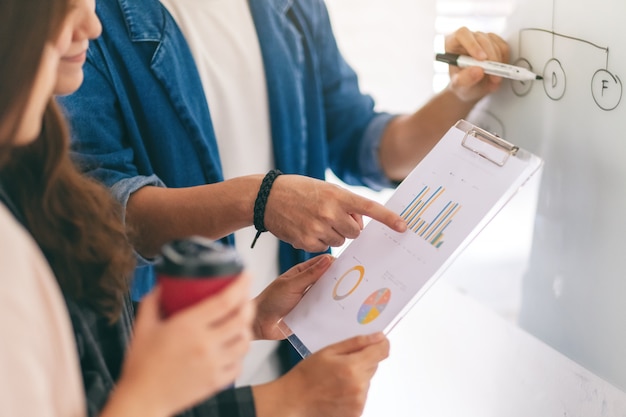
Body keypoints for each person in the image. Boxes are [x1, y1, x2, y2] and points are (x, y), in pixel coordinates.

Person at [59, 0, 507, 390]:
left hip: (286, 357)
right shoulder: (85, 20)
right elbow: (102, 209)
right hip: (168, 379)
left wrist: (459, 94)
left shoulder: (291, 5)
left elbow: (365, 142)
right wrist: (259, 200)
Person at [0, 0, 257, 416]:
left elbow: (86, 350)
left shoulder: (35, 164)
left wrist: (247, 320)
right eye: (65, 9)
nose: (94, 27)